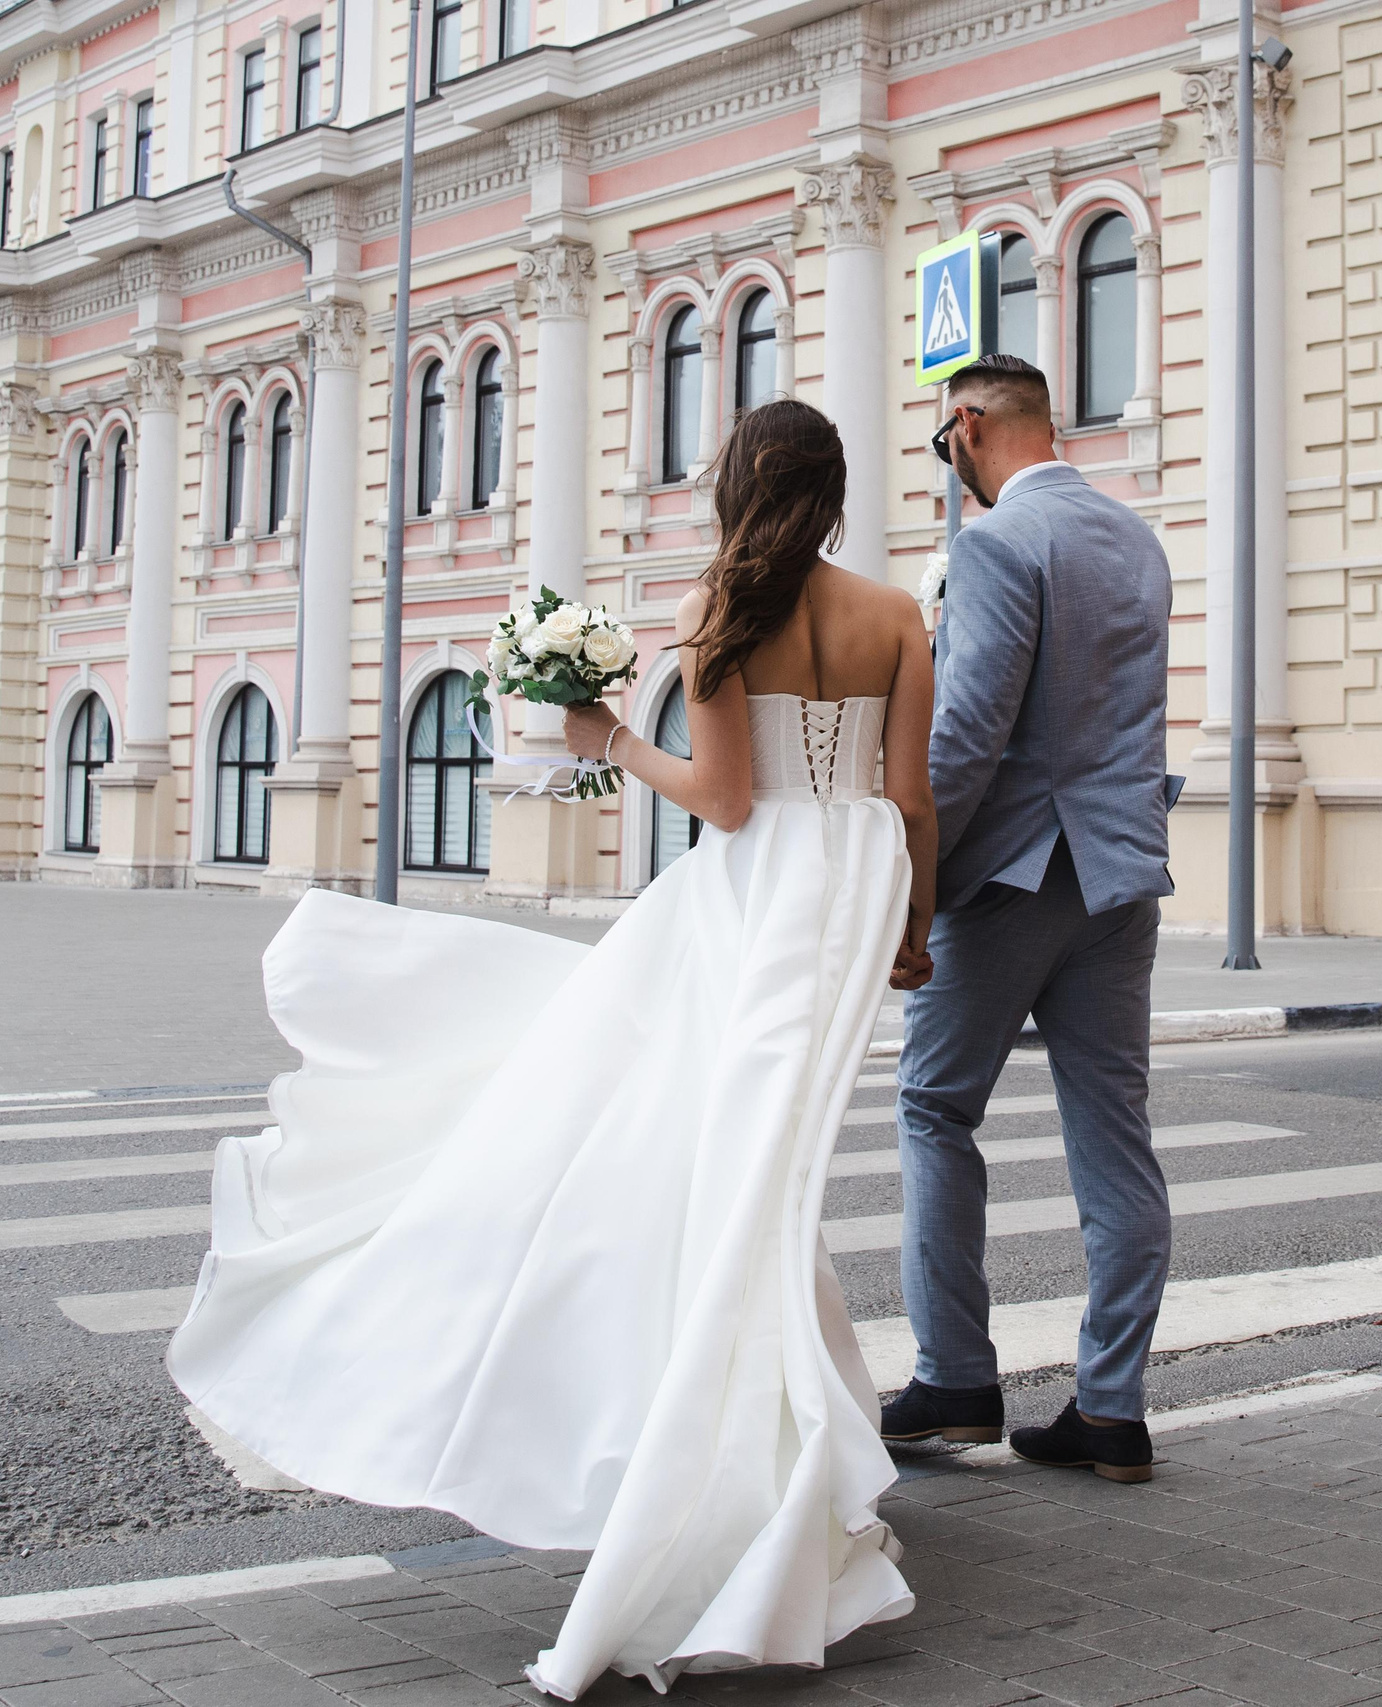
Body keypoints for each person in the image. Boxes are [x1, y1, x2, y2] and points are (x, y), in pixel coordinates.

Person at [168, 400, 936, 1701]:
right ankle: (796, 1446)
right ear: (835, 490)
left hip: (749, 916)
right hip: (851, 904)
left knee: (724, 1180)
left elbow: (730, 802)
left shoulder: (720, 614)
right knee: (765, 1183)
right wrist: (912, 929)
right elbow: (913, 796)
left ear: (737, 486)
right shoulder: (897, 615)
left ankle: (756, 1466)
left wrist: (613, 743)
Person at [884, 352, 1176, 1483]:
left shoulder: (997, 545)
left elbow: (965, 740)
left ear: (966, 427)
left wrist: (914, 888)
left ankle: (955, 1377)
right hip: (1119, 875)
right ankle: (1111, 1408)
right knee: (1114, 1132)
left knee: (932, 1107)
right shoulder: (1137, 541)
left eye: (938, 443)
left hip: (1008, 877)